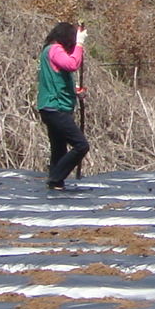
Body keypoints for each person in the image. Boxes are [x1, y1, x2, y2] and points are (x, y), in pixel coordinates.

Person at [34, 20, 88, 191]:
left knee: (59, 149)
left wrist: (75, 91)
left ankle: (56, 183)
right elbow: (72, 64)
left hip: (52, 107)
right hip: (55, 107)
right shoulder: (54, 49)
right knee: (81, 145)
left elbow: (56, 79)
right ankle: (55, 178)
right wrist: (80, 42)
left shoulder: (48, 52)